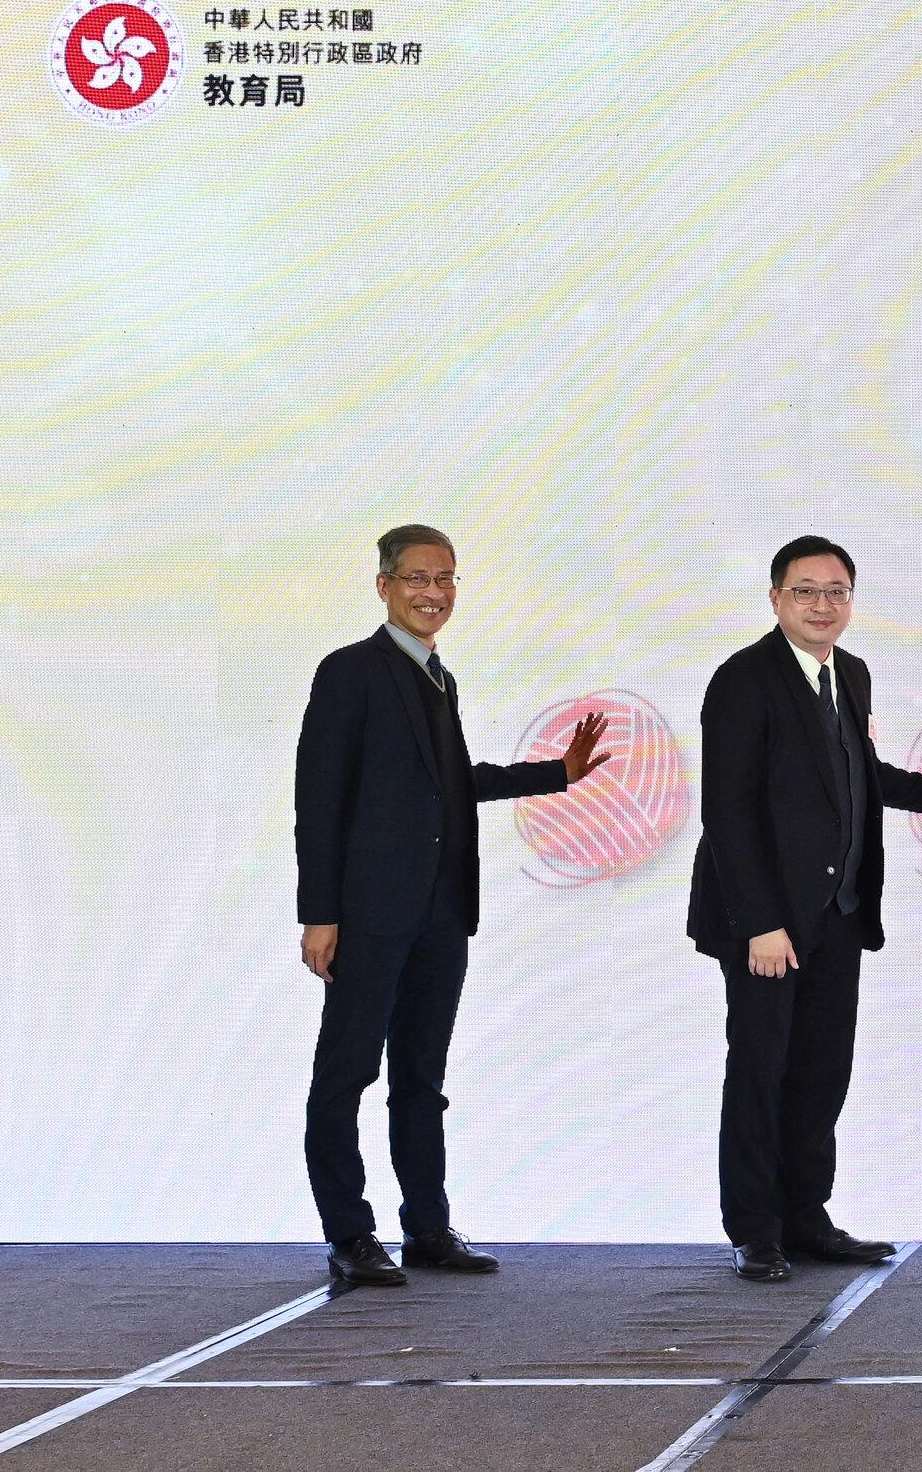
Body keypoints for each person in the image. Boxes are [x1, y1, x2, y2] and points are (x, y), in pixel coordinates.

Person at [688, 535, 922, 1283]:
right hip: (769, 924)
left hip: (837, 912)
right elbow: (728, 811)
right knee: (760, 1071)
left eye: (836, 591)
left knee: (819, 1072)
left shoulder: (852, 674)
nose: (821, 605)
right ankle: (755, 1230)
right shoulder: (743, 680)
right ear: (775, 598)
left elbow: (861, 775)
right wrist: (760, 922)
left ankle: (806, 1216)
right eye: (805, 591)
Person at [296, 525, 613, 1288]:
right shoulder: (350, 672)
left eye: (445, 579)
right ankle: (349, 1235)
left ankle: (427, 1229)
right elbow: (319, 797)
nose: (433, 593)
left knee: (421, 1078)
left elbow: (449, 782)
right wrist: (320, 913)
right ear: (383, 585)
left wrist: (555, 775)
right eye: (415, 578)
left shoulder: (440, 676)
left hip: (440, 914)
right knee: (346, 1075)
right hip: (368, 915)